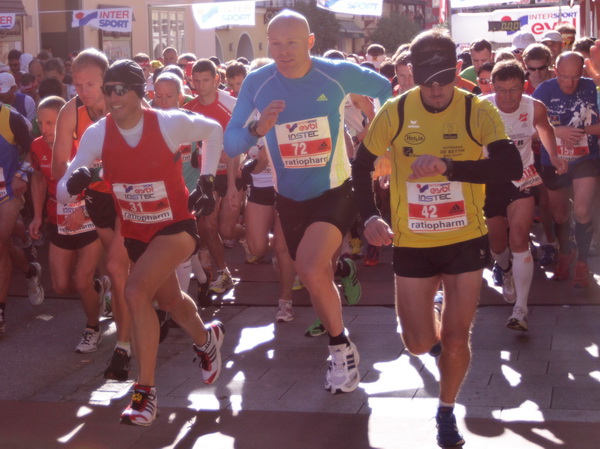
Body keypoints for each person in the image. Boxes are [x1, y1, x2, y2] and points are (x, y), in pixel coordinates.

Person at [352, 30, 522, 447]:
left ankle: (446, 411)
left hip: (466, 238)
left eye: (444, 79)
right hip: (413, 242)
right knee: (417, 343)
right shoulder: (394, 111)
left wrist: (449, 166)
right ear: (411, 73)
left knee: (456, 337)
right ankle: (432, 328)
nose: (436, 89)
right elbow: (361, 165)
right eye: (427, 81)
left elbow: (509, 165)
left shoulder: (476, 109)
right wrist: (369, 216)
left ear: (457, 70)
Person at [224, 10, 390, 394]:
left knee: (312, 269)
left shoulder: (334, 73)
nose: (283, 51)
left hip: (335, 191)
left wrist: (381, 144)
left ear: (310, 42)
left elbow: (385, 89)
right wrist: (258, 129)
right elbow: (232, 142)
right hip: (289, 198)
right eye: (275, 44)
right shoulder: (258, 83)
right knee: (315, 275)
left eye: (292, 43)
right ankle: (341, 313)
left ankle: (340, 350)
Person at [57, 59, 225, 426]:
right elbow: (63, 187)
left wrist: (207, 181)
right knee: (170, 301)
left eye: (121, 90)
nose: (113, 97)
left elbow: (213, 131)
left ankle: (144, 394)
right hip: (136, 232)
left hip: (176, 225)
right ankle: (206, 339)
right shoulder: (98, 134)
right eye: (108, 90)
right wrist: (73, 183)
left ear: (138, 92)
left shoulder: (167, 122)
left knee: (135, 291)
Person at [52, 49, 131, 365]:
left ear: (106, 81)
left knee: (118, 268)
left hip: (127, 196)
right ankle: (145, 312)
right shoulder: (71, 111)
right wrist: (76, 196)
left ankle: (124, 344)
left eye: (90, 84)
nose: (83, 91)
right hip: (94, 198)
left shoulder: (125, 104)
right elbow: (59, 165)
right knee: (118, 271)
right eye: (77, 85)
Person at [483, 61, 567, 331]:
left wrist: (554, 156)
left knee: (519, 237)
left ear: (524, 87)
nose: (507, 97)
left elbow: (546, 129)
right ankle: (505, 268)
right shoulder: (481, 108)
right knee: (498, 244)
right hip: (489, 181)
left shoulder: (534, 107)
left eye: (514, 90)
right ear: (492, 87)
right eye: (501, 90)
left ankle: (521, 309)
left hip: (523, 177)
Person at [29, 96, 105, 346]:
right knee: (61, 286)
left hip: (88, 217)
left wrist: (83, 209)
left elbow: (100, 183)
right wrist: (37, 216)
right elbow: (38, 179)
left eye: (51, 123)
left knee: (81, 281)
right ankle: (97, 288)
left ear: (64, 123)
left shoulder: (83, 145)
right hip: (57, 219)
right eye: (41, 123)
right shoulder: (37, 146)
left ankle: (92, 328)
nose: (45, 129)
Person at [532, 52, 600, 287]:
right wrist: (557, 131)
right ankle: (565, 253)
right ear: (555, 71)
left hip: (585, 158)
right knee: (560, 215)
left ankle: (582, 261)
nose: (570, 83)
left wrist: (584, 130)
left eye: (575, 77)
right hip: (555, 161)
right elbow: (528, 128)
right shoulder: (543, 91)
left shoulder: (591, 88)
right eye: (564, 77)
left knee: (581, 210)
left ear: (583, 72)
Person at [183, 58, 244, 294]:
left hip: (230, 171)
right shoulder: (189, 109)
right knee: (208, 226)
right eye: (196, 81)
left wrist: (232, 185)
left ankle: (247, 236)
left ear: (217, 80)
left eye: (205, 80)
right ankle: (224, 272)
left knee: (227, 231)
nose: (200, 86)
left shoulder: (231, 105)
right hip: (205, 175)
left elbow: (242, 142)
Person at [0, 102, 43, 334]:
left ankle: (0, 314)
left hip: (8, 191)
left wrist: (20, 174)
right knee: (4, 244)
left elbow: (32, 150)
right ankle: (30, 271)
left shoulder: (10, 118)